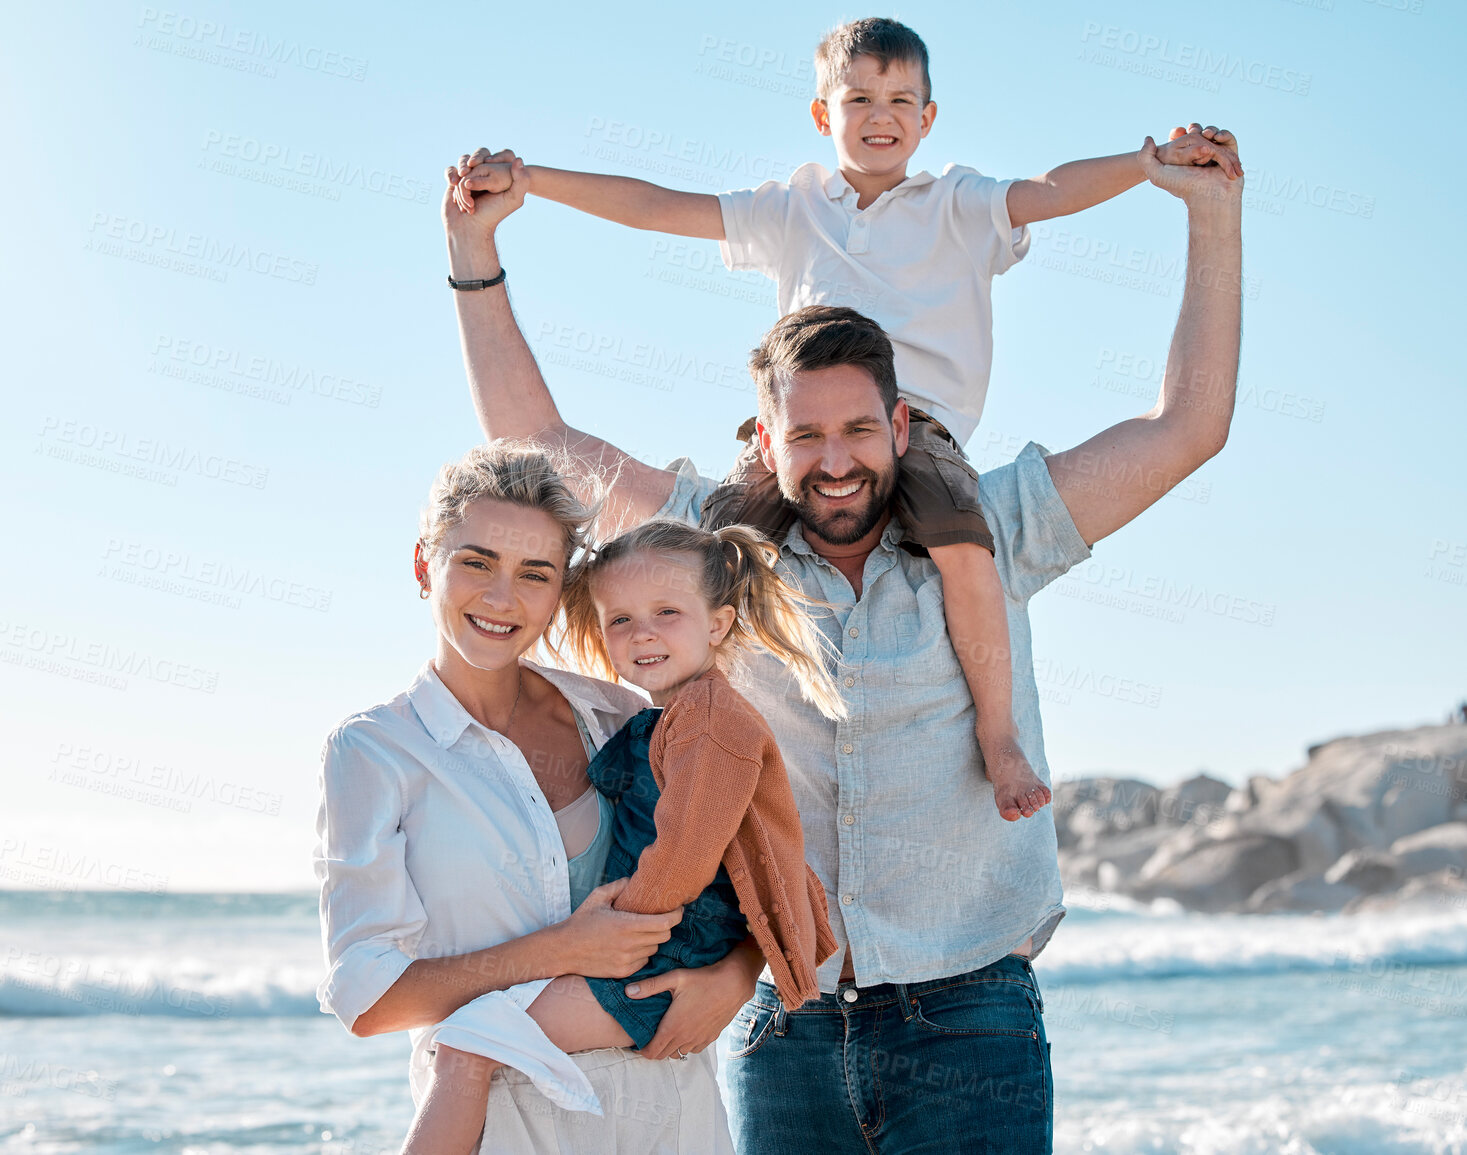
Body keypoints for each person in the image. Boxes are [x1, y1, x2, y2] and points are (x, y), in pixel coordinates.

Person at [439, 108, 1242, 1151]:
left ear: (901, 427)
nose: (835, 460)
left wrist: (1211, 217)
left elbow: (1189, 426)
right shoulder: (710, 552)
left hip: (975, 1022)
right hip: (788, 1025)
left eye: (861, 429)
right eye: (805, 435)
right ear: (764, 441)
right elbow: (539, 442)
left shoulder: (999, 525)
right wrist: (475, 254)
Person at [451, 16, 1239, 824]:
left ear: (928, 118)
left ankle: (998, 737)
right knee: (713, 566)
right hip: (787, 944)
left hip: (929, 432)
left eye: (900, 99)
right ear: (822, 114)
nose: (879, 114)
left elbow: (1053, 190)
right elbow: (660, 207)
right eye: (857, 97)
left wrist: (1150, 168)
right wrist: (531, 183)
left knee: (968, 556)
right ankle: (685, 762)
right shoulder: (793, 208)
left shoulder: (959, 204)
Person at [315, 442, 759, 1153]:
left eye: (535, 573)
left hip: (670, 1109)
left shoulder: (618, 714)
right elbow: (368, 998)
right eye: (476, 561)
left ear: (560, 591)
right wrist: (559, 948)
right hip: (505, 1124)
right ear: (425, 564)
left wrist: (736, 977)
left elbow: (742, 856)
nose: (501, 598)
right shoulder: (374, 751)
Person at [404, 519, 844, 1154]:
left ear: (716, 624)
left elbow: (685, 856)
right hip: (659, 947)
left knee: (466, 1046)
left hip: (663, 957)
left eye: (667, 612)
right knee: (473, 1041)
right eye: (620, 620)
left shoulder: (715, 724)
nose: (642, 633)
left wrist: (609, 938)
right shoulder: (667, 715)